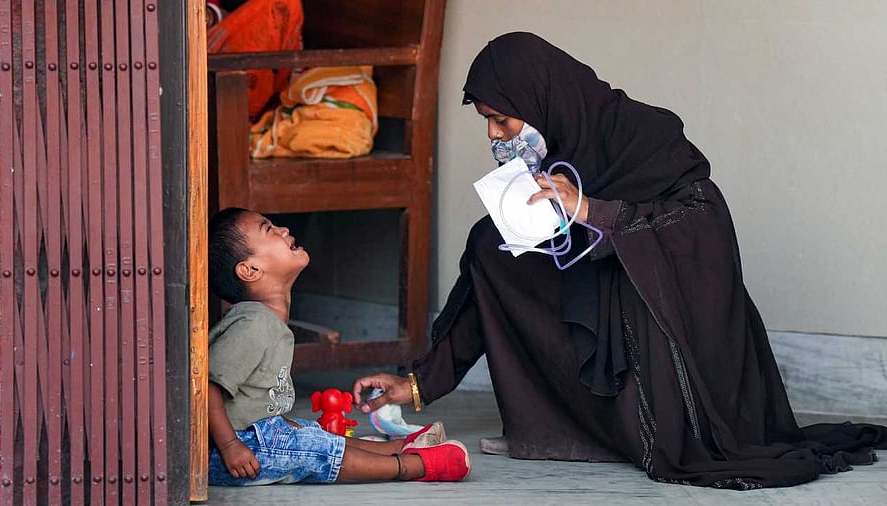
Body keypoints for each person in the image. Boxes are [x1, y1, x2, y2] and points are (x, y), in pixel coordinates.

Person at [352, 32, 887, 489]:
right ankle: (568, 428)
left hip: (676, 357)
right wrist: (418, 383)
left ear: (542, 102)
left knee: (633, 271)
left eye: (503, 122)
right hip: (605, 337)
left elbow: (704, 227)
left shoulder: (643, 135)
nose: (494, 136)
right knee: (492, 245)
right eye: (488, 122)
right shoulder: (559, 152)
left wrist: (590, 210)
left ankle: (649, 428)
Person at [206, 207, 471, 485]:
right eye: (268, 229)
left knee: (312, 433)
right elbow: (207, 387)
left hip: (259, 434)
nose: (283, 230)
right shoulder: (253, 323)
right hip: (235, 451)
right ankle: (413, 465)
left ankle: (398, 446)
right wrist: (229, 446)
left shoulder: (266, 321)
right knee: (314, 449)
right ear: (250, 270)